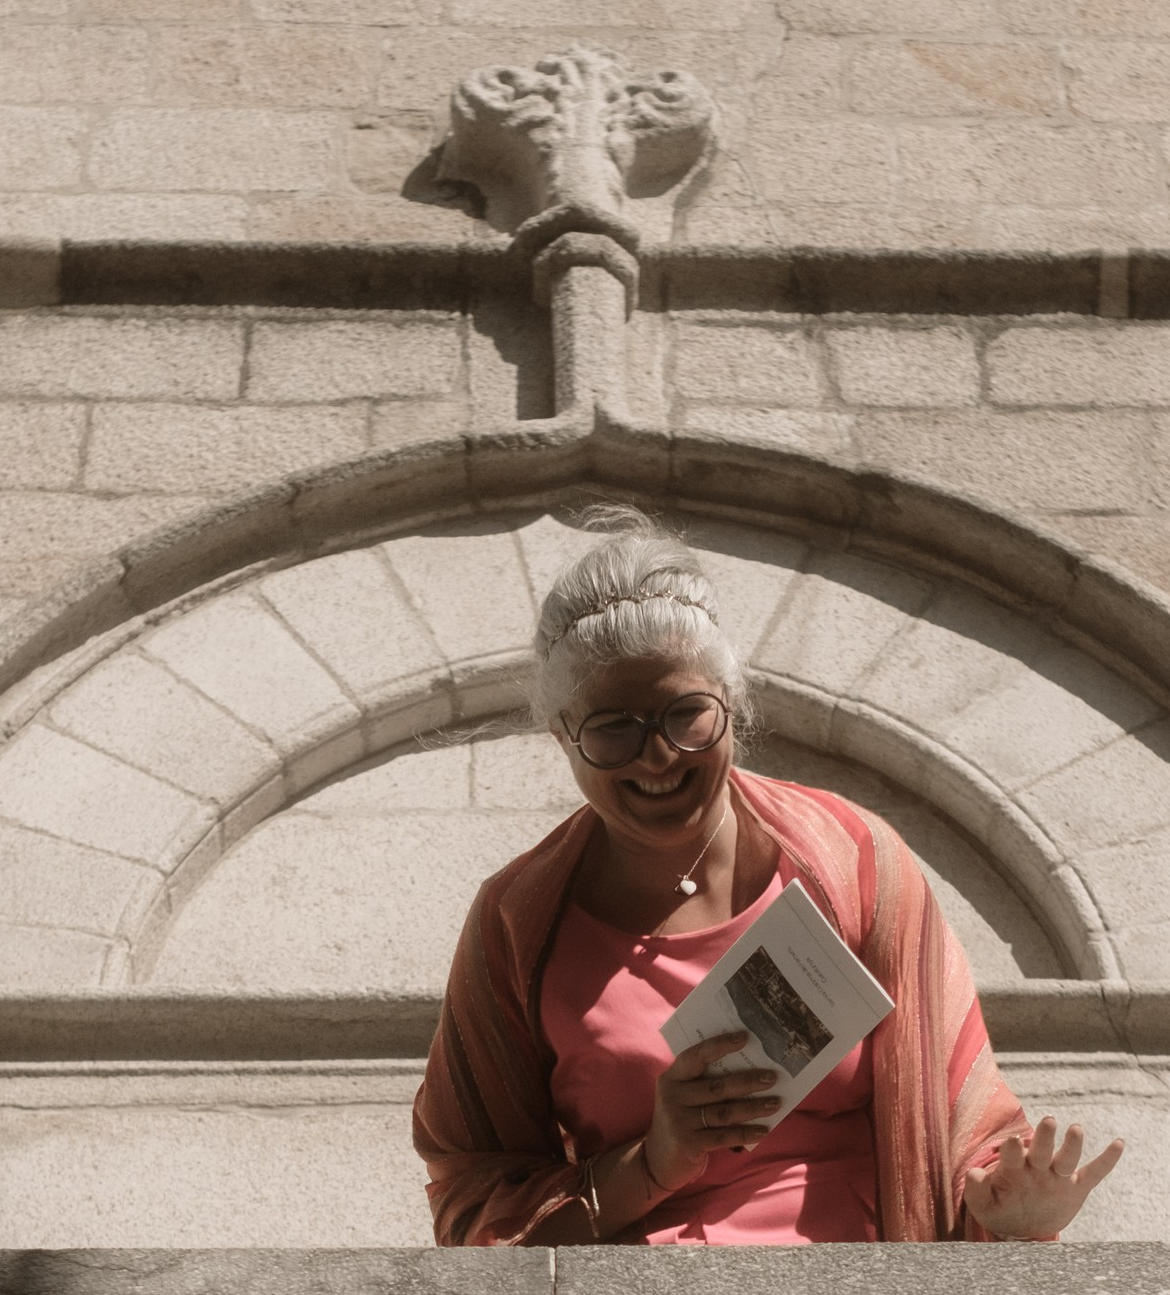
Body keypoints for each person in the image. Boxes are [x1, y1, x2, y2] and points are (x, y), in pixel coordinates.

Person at [414, 518, 1124, 1247]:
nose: (657, 757)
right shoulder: (516, 921)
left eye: (686, 715)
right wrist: (655, 1162)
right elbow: (472, 1199)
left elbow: (963, 1137)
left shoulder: (854, 862)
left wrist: (1017, 1213)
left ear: (732, 701)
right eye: (612, 729)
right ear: (562, 734)